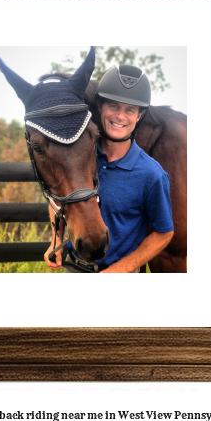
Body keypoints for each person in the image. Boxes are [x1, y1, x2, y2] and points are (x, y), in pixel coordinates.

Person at [44, 64, 174, 273]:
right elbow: (58, 199)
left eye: (130, 109)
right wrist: (55, 240)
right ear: (100, 106)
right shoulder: (79, 157)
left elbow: (164, 233)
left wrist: (120, 270)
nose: (120, 116)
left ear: (139, 116)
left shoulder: (152, 174)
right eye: (113, 106)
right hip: (73, 269)